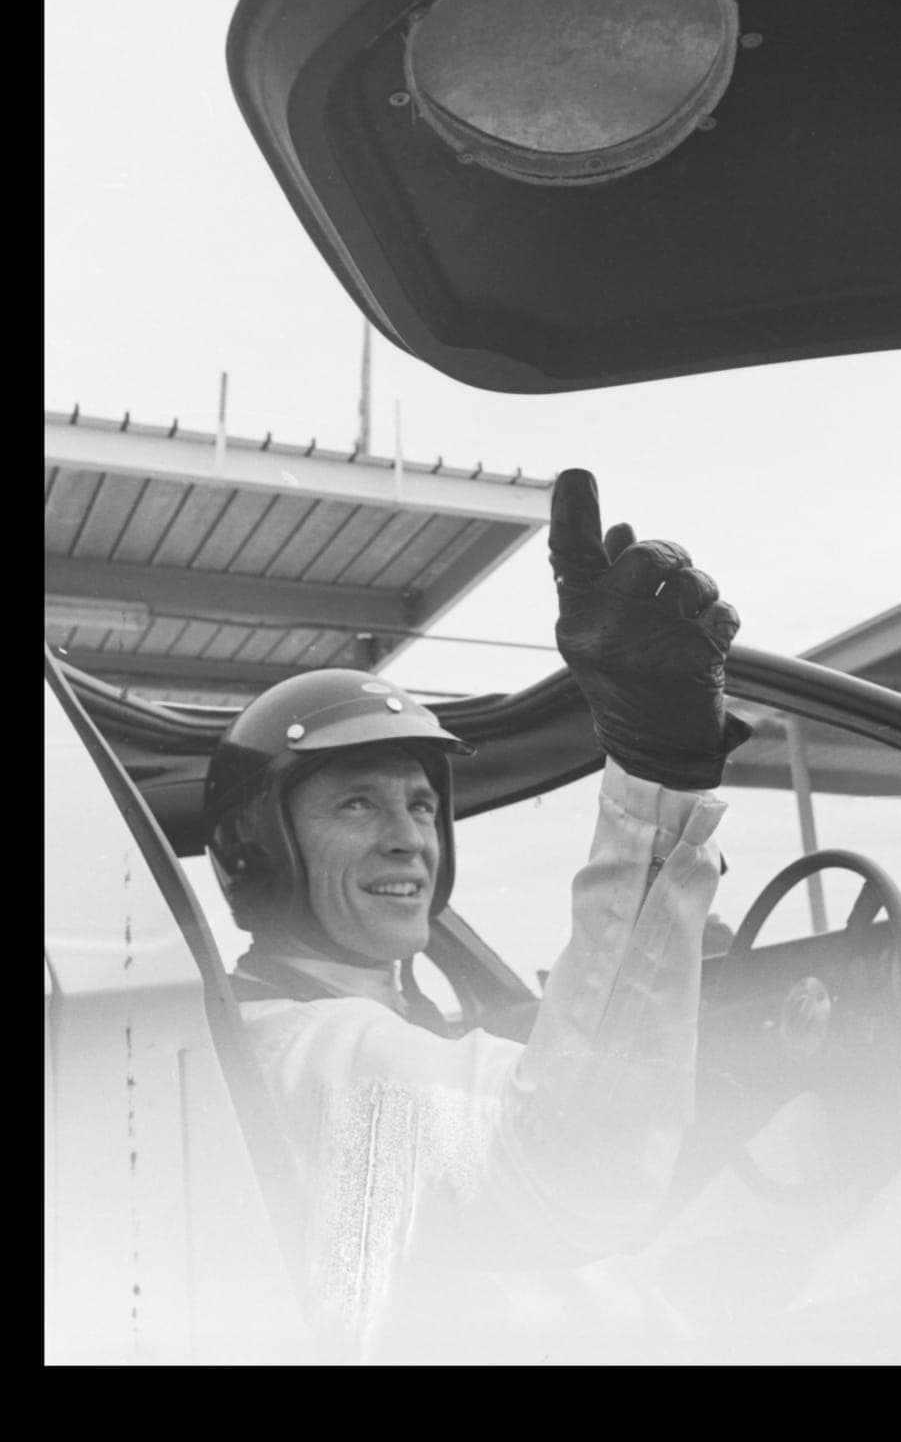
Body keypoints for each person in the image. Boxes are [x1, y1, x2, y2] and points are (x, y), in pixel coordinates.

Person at [204, 468, 750, 1361]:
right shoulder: (307, 1053)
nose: (407, 840)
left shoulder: (363, 1030)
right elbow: (579, 1169)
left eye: (421, 807)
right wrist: (659, 777)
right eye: (356, 806)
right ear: (257, 848)